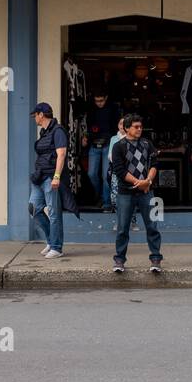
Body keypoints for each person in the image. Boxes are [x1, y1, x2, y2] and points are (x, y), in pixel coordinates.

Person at [110, 113, 163, 274]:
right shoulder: (118, 146)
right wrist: (138, 183)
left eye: (141, 126)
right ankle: (119, 260)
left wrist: (147, 181)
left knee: (153, 226)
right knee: (122, 228)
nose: (140, 129)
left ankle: (156, 259)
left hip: (148, 191)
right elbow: (119, 170)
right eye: (136, 127)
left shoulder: (148, 144)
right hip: (125, 192)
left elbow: (155, 164)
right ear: (126, 128)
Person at [29, 102, 73, 259]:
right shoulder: (44, 132)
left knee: (54, 212)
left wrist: (56, 176)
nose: (34, 118)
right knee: (34, 208)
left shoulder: (58, 131)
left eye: (35, 115)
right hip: (39, 176)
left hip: (50, 177)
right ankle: (50, 240)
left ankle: (56, 247)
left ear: (42, 114)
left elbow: (61, 154)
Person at [82, 92, 120, 210]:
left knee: (106, 175)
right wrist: (85, 137)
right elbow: (87, 126)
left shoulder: (113, 109)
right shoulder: (91, 109)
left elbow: (118, 126)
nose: (99, 103)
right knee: (91, 174)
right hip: (93, 144)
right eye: (97, 101)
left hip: (108, 144)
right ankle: (99, 196)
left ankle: (106, 202)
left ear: (106, 97)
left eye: (101, 100)